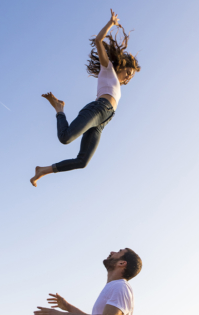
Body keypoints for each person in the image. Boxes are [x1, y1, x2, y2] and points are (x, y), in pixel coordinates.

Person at [30, 9, 141, 186]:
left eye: (131, 76)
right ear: (122, 66)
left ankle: (42, 170)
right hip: (98, 109)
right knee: (65, 138)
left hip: (104, 120)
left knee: (82, 162)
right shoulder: (108, 69)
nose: (128, 76)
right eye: (128, 72)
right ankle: (60, 109)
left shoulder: (118, 86)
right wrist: (111, 24)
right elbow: (98, 41)